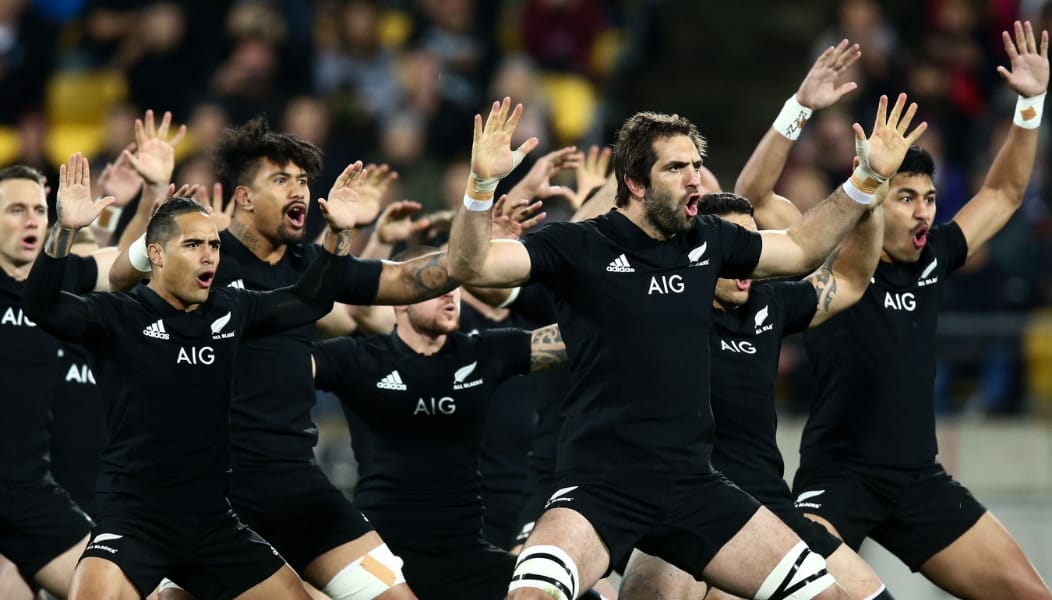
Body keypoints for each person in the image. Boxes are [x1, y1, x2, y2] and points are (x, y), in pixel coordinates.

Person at [447, 94, 925, 600]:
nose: (694, 178)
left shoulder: (709, 241)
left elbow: (803, 247)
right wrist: (481, 188)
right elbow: (472, 267)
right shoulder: (579, 245)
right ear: (635, 182)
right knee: (531, 595)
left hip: (694, 484)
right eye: (676, 168)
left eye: (696, 165)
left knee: (829, 596)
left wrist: (868, 178)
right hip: (599, 486)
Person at [110, 116, 461, 599]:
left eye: (303, 180)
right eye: (280, 179)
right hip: (213, 494)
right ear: (244, 197)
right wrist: (161, 212)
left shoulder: (314, 269)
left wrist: (477, 214)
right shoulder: (205, 261)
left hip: (297, 485)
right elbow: (119, 280)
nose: (298, 190)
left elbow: (405, 280)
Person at [769, 21, 1052, 600]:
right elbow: (755, 198)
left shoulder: (934, 255)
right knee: (793, 591)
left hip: (919, 480)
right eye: (906, 198)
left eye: (929, 197)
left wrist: (1030, 106)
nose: (925, 212)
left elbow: (1002, 194)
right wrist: (798, 110)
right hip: (837, 482)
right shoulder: (824, 256)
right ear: (874, 195)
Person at [21, 152, 366, 599]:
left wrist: (339, 234)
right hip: (135, 520)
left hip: (212, 523)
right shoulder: (118, 315)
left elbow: (309, 300)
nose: (209, 256)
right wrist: (64, 231)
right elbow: (42, 306)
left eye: (214, 246)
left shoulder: (232, 308)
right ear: (157, 254)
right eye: (193, 245)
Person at [618, 192, 891, 600]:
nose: (748, 260)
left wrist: (871, 200)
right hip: (691, 507)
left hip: (771, 508)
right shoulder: (663, 309)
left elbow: (849, 280)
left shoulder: (771, 302)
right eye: (736, 248)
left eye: (754, 246)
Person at [312, 246, 575, 600]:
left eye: (454, 284)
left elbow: (580, 339)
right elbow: (277, 360)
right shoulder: (358, 358)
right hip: (384, 555)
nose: (450, 293)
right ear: (400, 298)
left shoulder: (482, 352)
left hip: (466, 553)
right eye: (435, 284)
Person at [0, 163, 118, 599]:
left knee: (116, 592)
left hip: (27, 492)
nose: (31, 220)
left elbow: (118, 267)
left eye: (38, 209)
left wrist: (157, 200)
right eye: (16, 210)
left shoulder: (52, 286)